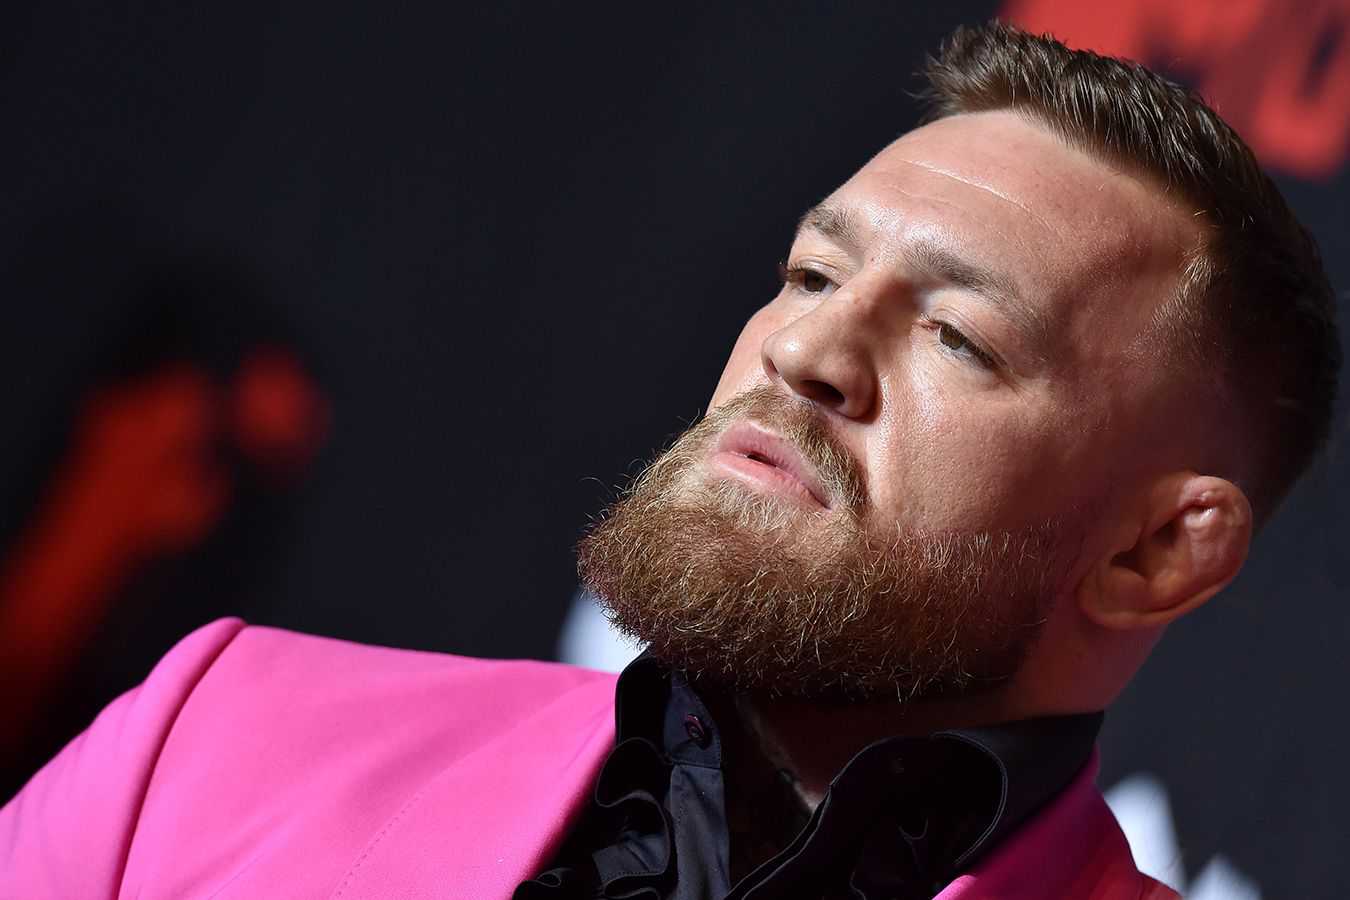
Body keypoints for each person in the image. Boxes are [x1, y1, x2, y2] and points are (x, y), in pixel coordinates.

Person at [0, 22, 1338, 900]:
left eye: (956, 336)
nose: (804, 350)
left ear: (1154, 552)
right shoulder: (216, 741)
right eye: (811, 273)